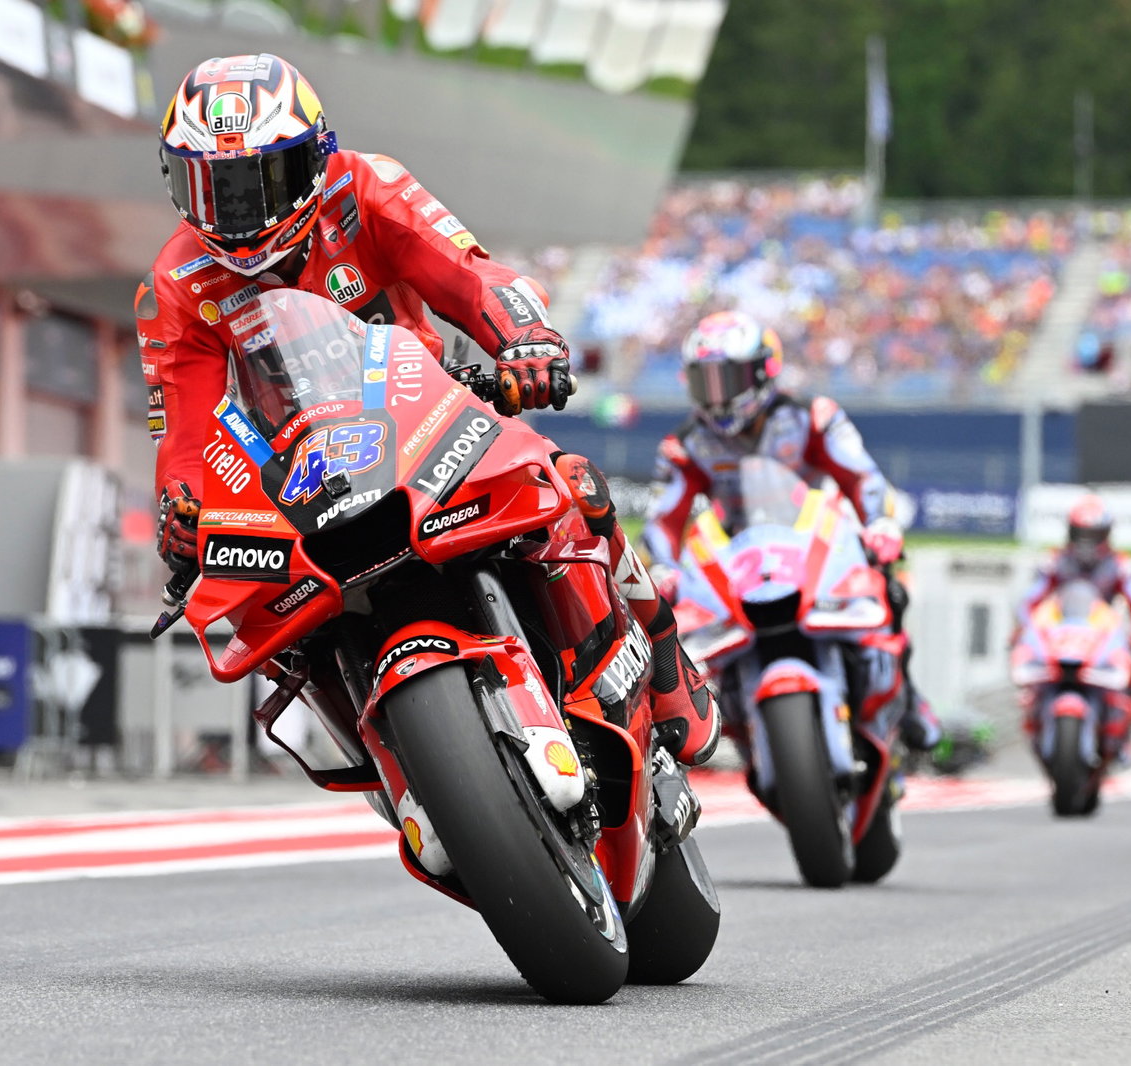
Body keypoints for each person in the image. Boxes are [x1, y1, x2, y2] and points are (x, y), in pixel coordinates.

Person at [141, 54, 717, 766]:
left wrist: (526, 341)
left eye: (262, 180)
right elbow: (183, 426)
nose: (239, 211)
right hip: (300, 472)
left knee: (572, 485)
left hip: (428, 414)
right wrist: (184, 507)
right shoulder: (177, 280)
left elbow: (468, 274)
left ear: (315, 157)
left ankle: (664, 663)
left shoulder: (366, 185)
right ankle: (389, 755)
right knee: (267, 620)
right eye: (213, 187)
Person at [642, 310, 940, 751]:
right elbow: (663, 519)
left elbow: (862, 477)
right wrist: (664, 567)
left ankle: (908, 696)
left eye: (729, 378)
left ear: (764, 370)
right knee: (675, 625)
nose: (719, 395)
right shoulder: (685, 444)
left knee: (890, 584)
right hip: (740, 555)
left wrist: (878, 523)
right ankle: (729, 709)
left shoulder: (813, 416)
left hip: (818, 541)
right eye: (708, 382)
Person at [1016, 494, 1131, 651]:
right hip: (1059, 635)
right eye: (1081, 534)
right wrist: (1025, 629)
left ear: (1105, 534)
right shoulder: (1053, 561)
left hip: (1103, 638)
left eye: (1093, 535)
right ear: (1071, 533)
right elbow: (1028, 601)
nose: (1087, 542)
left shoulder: (1122, 566)